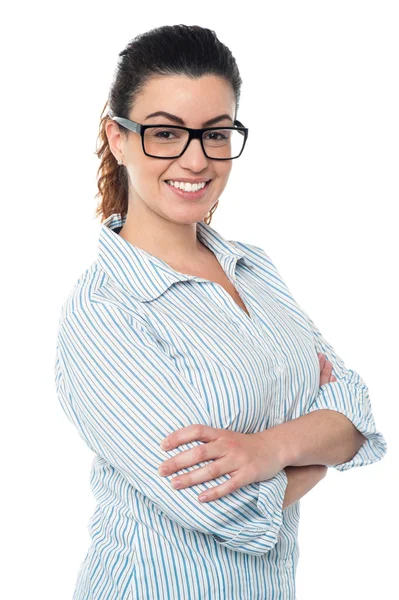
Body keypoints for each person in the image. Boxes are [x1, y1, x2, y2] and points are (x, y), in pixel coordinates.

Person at [54, 24, 388, 600]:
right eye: (165, 133)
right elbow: (222, 508)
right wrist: (316, 450)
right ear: (119, 138)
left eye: (215, 134)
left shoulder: (253, 270)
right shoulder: (104, 313)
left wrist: (266, 452)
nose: (196, 159)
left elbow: (356, 413)